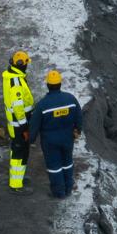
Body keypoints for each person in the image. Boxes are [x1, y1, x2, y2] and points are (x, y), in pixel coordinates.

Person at [28, 69, 83, 199]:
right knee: (67, 163)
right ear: (60, 84)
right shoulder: (71, 99)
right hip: (67, 139)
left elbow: (34, 125)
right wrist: (78, 130)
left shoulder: (42, 105)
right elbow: (79, 116)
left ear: (48, 85)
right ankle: (68, 188)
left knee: (54, 167)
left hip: (50, 142)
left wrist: (30, 140)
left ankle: (59, 193)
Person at [1, 50, 34, 192]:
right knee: (20, 152)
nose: (27, 66)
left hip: (17, 123)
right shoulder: (15, 82)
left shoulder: (15, 76)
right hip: (19, 124)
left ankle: (17, 178)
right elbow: (18, 106)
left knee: (17, 150)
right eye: (26, 64)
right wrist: (25, 126)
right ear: (21, 65)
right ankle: (16, 185)